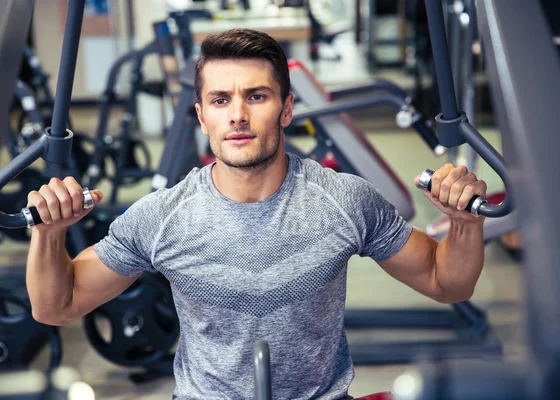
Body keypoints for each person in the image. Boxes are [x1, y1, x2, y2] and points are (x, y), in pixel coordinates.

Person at [26, 29, 487, 399]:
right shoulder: (163, 217)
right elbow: (55, 306)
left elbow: (448, 282)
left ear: (287, 109)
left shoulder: (345, 201)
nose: (238, 116)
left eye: (257, 97)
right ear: (202, 116)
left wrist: (465, 223)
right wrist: (48, 235)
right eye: (221, 100)